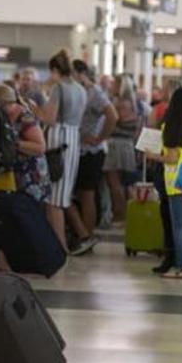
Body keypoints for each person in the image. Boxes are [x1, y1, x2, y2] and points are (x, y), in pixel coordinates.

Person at [144, 88, 182, 278]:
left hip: (176, 180)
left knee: (179, 226)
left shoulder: (170, 126)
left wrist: (152, 155)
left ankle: (181, 268)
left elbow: (172, 158)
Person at [0, 84, 50, 271]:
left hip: (31, 175)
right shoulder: (5, 117)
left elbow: (40, 147)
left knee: (30, 221)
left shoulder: (25, 116)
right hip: (15, 174)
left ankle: (37, 261)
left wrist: (12, 144)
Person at [30, 50, 87, 251]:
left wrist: (33, 107)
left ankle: (59, 246)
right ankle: (60, 244)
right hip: (73, 138)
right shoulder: (81, 89)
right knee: (63, 195)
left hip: (58, 138)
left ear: (55, 70)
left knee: (54, 198)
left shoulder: (59, 88)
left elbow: (49, 118)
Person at [68, 60, 119, 255]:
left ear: (81, 73)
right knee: (82, 194)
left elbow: (112, 115)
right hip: (81, 149)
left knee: (87, 194)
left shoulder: (94, 92)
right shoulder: (80, 91)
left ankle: (87, 236)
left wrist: (99, 138)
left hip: (91, 151)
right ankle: (84, 236)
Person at [104, 75, 139, 223]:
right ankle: (129, 214)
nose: (111, 86)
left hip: (116, 145)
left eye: (114, 84)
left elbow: (112, 120)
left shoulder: (120, 103)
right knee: (126, 183)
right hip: (127, 145)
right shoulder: (133, 102)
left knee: (114, 182)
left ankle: (121, 213)